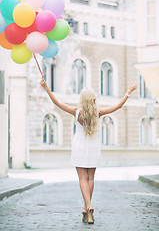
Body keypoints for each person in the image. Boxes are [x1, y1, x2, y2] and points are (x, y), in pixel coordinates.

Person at [40, 78, 137, 224]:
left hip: (79, 146)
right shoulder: (98, 112)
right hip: (93, 146)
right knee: (91, 178)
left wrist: (46, 87)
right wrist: (128, 92)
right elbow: (117, 106)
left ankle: (89, 206)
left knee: (82, 178)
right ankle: (86, 209)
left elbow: (57, 103)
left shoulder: (76, 112)